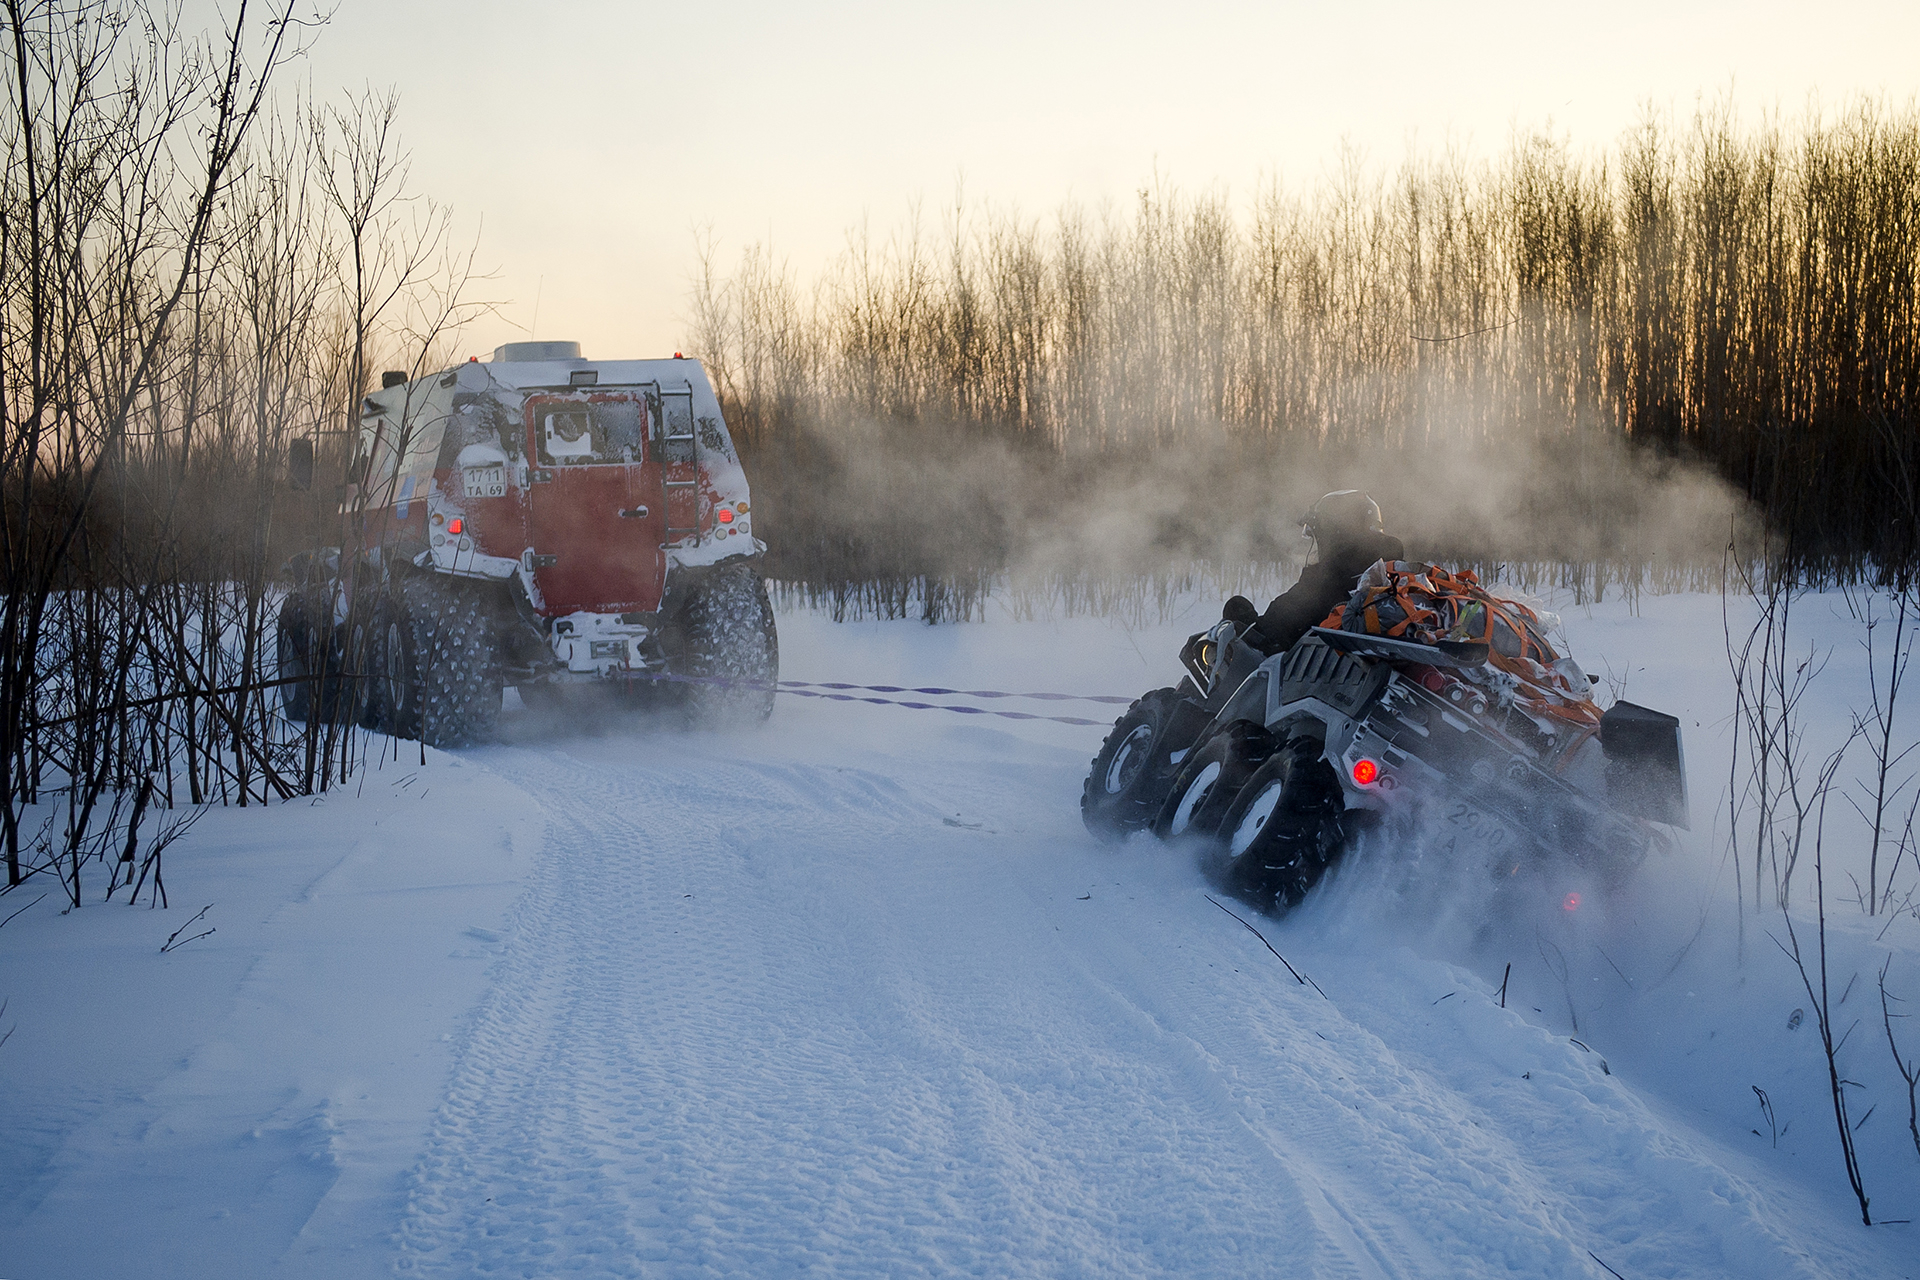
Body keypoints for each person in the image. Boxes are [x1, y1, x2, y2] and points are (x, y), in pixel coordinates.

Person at [1224, 490, 1404, 656]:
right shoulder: (1399, 578)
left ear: (1334, 533)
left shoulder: (1326, 582)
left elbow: (1273, 629)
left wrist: (1241, 618)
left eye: (1320, 535)